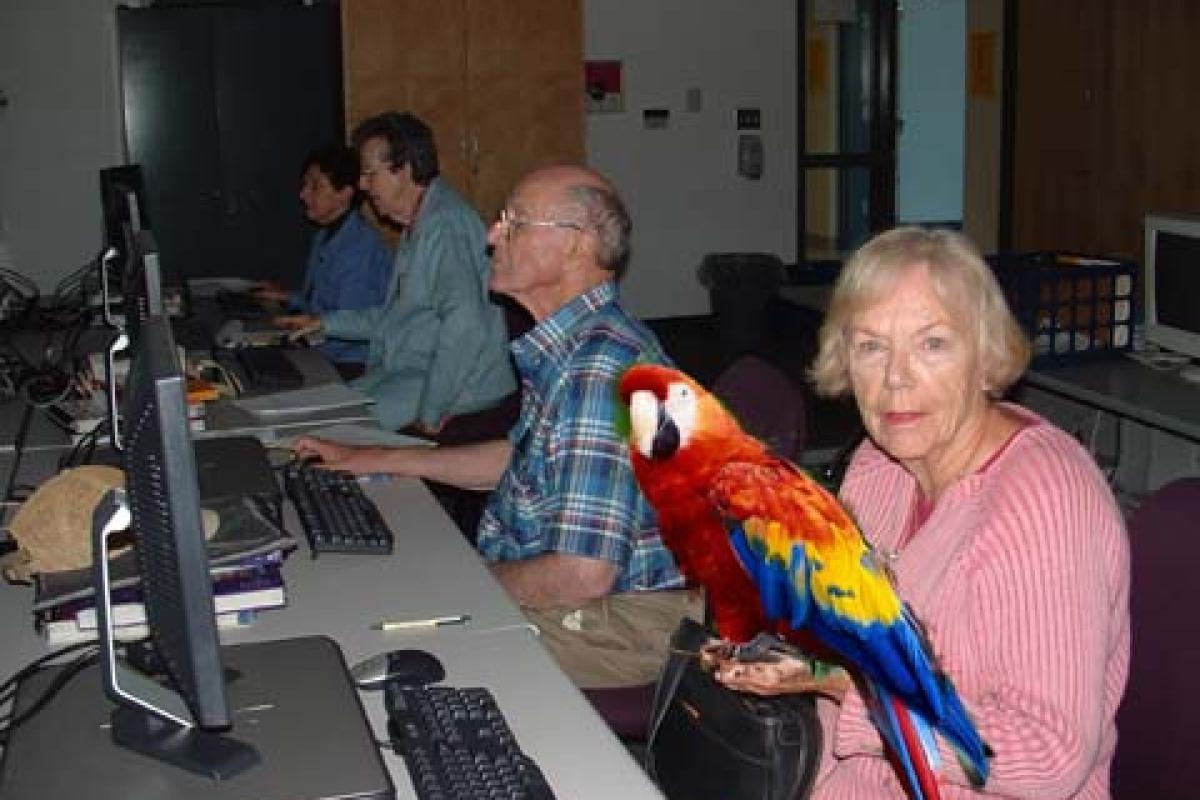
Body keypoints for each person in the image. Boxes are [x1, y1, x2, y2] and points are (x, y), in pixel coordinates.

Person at [713, 227, 1130, 799]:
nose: (896, 377)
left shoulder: (1044, 498)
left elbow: (1047, 756)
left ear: (985, 357)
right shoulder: (878, 465)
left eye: (932, 344)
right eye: (871, 347)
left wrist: (843, 685)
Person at [293, 165, 699, 688]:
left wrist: (464, 584)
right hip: (583, 592)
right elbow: (522, 459)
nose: (491, 236)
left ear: (577, 246)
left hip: (622, 619)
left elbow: (580, 575)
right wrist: (374, 458)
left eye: (515, 222)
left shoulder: (601, 371)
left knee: (385, 633)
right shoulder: (572, 345)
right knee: (388, 595)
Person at [278, 112, 515, 432]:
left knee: (324, 434)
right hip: (407, 372)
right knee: (306, 415)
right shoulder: (418, 223)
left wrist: (431, 413)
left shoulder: (444, 226)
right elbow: (396, 319)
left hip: (453, 386)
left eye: (369, 174)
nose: (362, 185)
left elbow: (465, 325)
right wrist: (324, 323)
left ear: (403, 171)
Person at [255, 144, 392, 379]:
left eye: (315, 186)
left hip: (350, 365)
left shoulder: (359, 249)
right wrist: (289, 297)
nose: (303, 194)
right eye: (305, 184)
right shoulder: (326, 235)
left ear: (345, 193)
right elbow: (322, 303)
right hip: (324, 351)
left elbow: (347, 329)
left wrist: (286, 341)